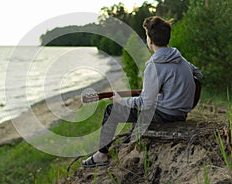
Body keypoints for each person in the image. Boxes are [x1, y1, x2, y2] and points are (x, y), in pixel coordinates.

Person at [82, 16, 203, 168]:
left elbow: (145, 103)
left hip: (166, 114)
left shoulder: (154, 65)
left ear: (150, 40)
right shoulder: (181, 59)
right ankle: (125, 142)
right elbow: (198, 76)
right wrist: (173, 92)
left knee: (111, 110)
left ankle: (101, 155)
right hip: (181, 113)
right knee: (133, 124)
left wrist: (121, 101)